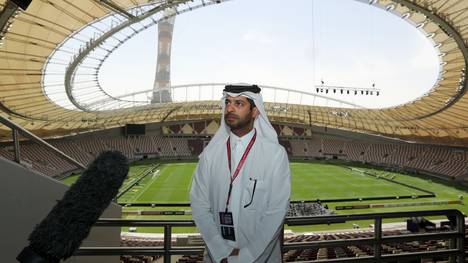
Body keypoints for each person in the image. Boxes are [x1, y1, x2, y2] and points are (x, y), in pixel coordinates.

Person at [190, 84, 291, 263]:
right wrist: (221, 252)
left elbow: (276, 212)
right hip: (217, 257)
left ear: (255, 111)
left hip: (260, 259)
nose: (229, 108)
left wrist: (246, 257)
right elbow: (199, 205)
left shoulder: (275, 154)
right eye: (228, 102)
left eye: (239, 103)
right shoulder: (210, 155)